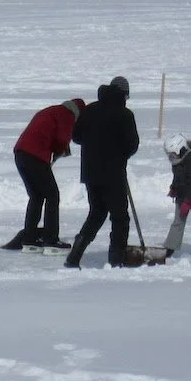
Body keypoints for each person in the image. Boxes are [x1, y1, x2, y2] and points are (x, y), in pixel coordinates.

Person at [64, 76, 140, 268]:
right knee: (120, 217)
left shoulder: (90, 110)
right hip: (113, 174)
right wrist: (118, 153)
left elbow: (76, 137)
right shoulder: (125, 114)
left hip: (90, 173)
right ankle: (116, 260)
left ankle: (74, 256)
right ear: (124, 94)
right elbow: (132, 145)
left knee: (97, 213)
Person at [1, 97, 86, 251]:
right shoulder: (67, 115)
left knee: (37, 196)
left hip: (21, 154)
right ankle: (51, 240)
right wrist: (61, 148)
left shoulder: (52, 110)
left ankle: (29, 239)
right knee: (53, 195)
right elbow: (62, 138)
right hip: (35, 156)